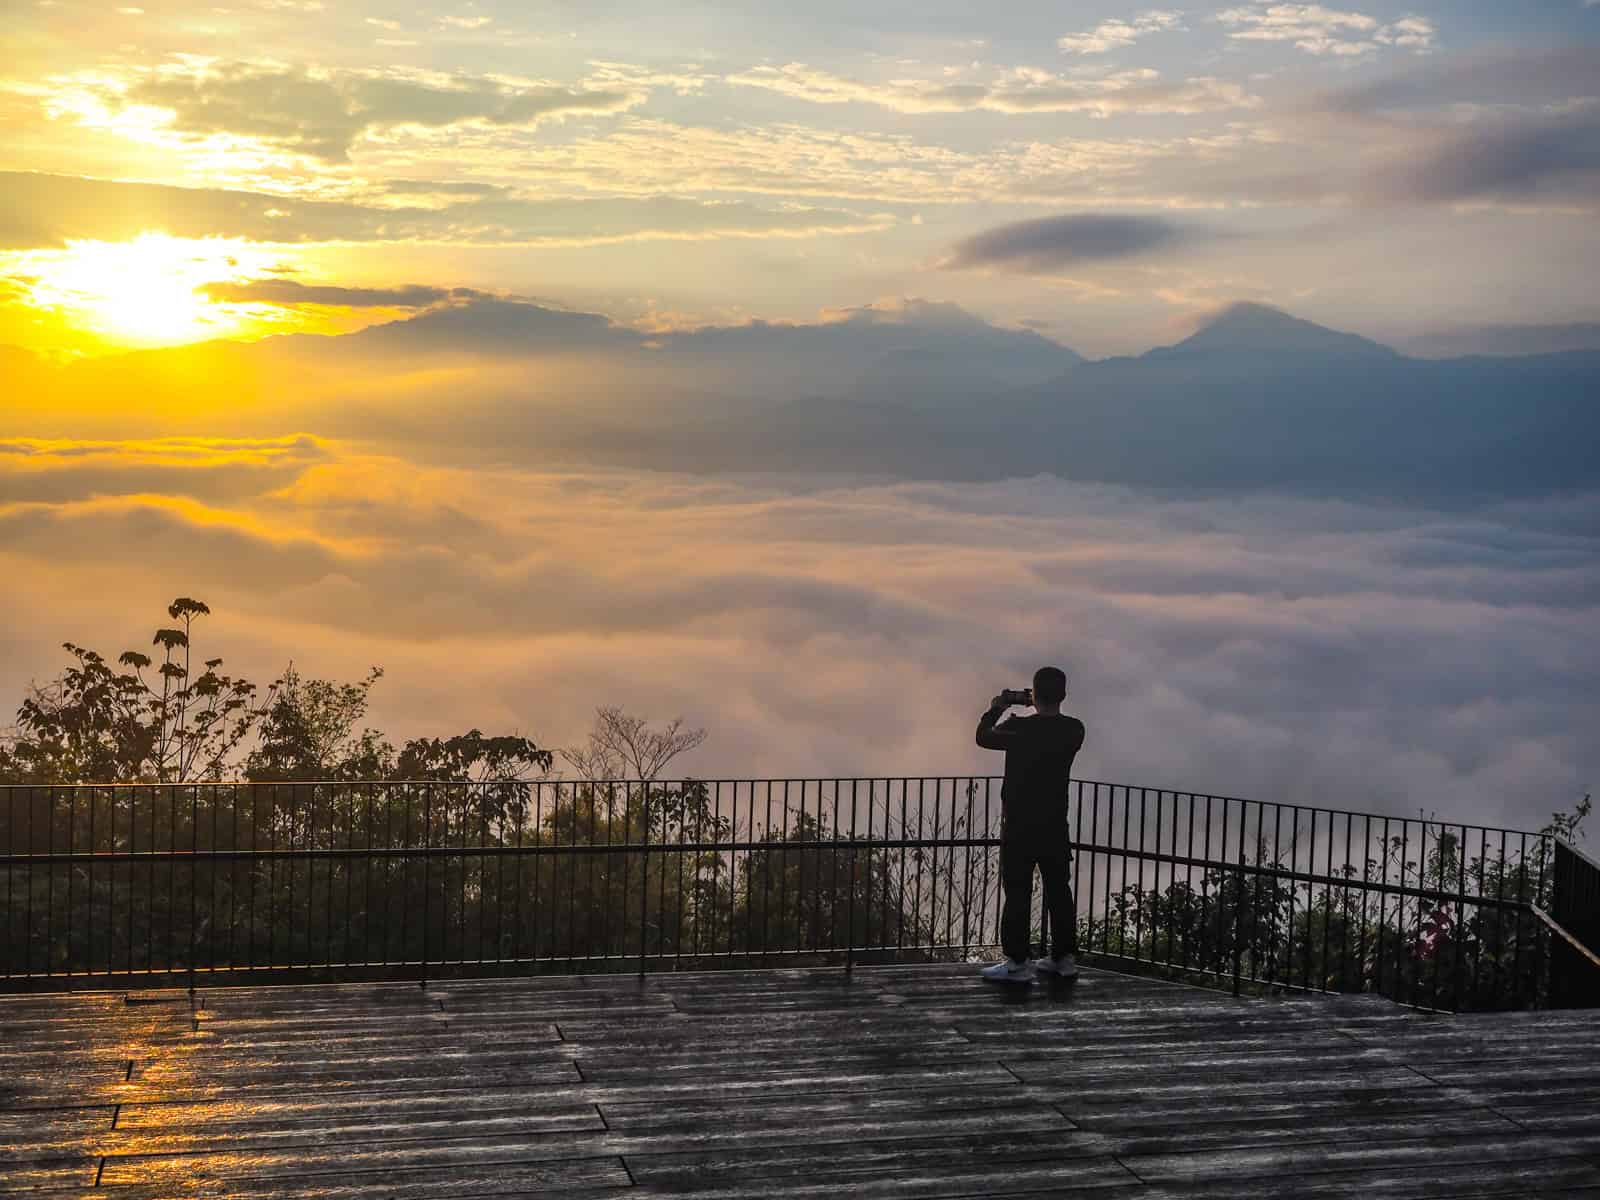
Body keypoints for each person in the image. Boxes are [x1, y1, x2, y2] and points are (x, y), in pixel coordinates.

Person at [975, 666, 1085, 984]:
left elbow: (983, 737)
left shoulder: (1019, 729)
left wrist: (998, 706)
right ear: (1063, 695)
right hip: (1054, 824)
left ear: (1034, 695)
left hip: (1020, 825)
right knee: (1059, 891)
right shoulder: (1074, 729)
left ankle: (1017, 964)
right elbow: (1050, 730)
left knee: (1018, 892)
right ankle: (1063, 959)